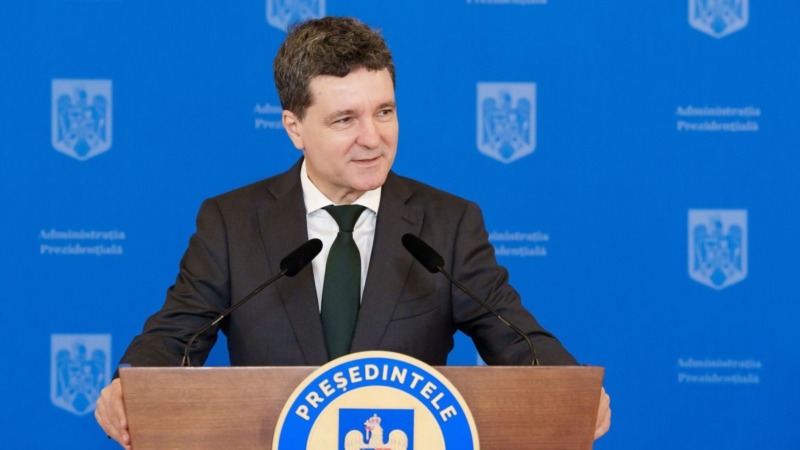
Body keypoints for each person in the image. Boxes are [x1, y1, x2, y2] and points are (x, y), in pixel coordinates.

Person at [95, 17, 611, 448]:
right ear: (295, 128)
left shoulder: (448, 223)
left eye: (384, 112)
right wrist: (128, 387)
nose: (373, 138)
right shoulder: (233, 223)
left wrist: (572, 388)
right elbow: (176, 335)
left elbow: (515, 336)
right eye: (345, 119)